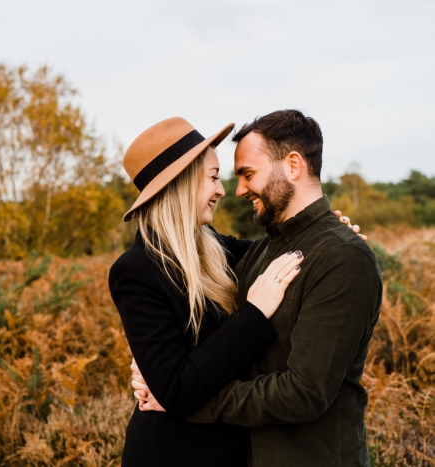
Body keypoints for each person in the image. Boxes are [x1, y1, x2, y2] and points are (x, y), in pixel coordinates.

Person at [132, 110, 382, 467]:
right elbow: (217, 336)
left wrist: (183, 403)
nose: (238, 189)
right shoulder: (262, 251)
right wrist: (159, 369)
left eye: (248, 175)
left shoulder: (342, 257)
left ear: (293, 165)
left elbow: (305, 393)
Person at [108, 116, 309, 466]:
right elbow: (177, 388)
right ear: (181, 184)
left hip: (233, 450)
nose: (221, 190)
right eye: (213, 177)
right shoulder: (135, 271)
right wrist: (254, 312)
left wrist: (328, 232)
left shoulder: (214, 246)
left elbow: (277, 251)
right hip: (174, 454)